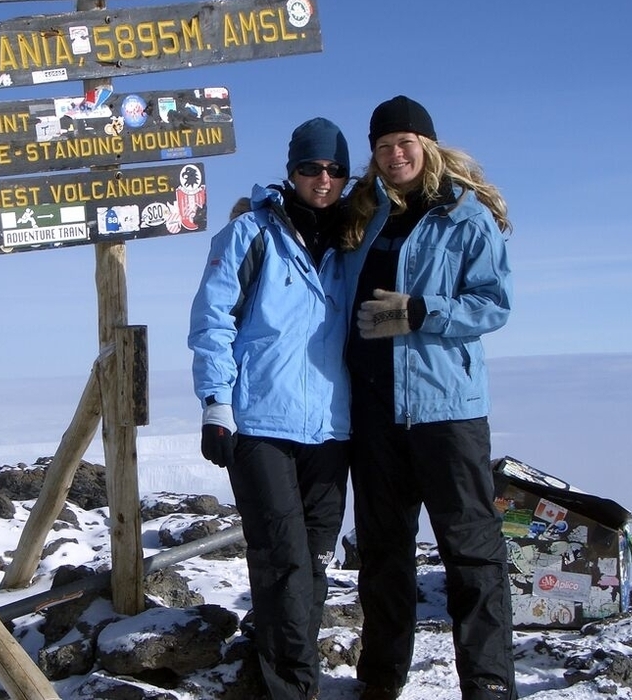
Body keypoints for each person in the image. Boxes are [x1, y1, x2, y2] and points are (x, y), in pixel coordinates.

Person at [341, 95, 517, 700]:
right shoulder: (364, 216)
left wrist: (422, 311)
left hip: (447, 412)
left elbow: (493, 303)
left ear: (428, 146)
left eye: (406, 142)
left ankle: (489, 682)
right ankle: (382, 679)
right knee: (384, 555)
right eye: (384, 145)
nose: (395, 154)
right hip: (375, 412)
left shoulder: (465, 217)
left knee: (470, 551)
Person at [188, 117, 352, 700]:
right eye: (311, 167)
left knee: (311, 564)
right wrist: (215, 405)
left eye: (335, 169)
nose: (323, 178)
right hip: (260, 425)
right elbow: (212, 323)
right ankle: (294, 689)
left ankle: (281, 666)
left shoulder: (351, 242)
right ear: (291, 171)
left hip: (332, 431)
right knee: (282, 560)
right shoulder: (249, 234)